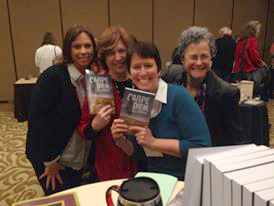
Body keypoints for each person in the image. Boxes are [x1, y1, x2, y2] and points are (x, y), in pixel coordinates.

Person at [111, 41, 211, 180]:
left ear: (159, 69)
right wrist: (120, 140)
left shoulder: (178, 96)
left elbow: (201, 147)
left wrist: (153, 142)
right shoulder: (134, 100)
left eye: (148, 65)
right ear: (129, 73)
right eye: (136, 67)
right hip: (154, 178)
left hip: (185, 179)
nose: (143, 72)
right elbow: (137, 152)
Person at [26, 24, 97, 195]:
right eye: (77, 46)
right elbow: (37, 121)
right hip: (51, 157)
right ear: (68, 50)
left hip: (74, 154)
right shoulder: (53, 76)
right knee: (60, 198)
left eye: (87, 46)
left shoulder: (91, 76)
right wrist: (50, 161)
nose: (83, 51)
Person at [162, 26, 245, 146]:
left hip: (208, 157)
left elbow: (235, 139)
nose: (199, 63)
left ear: (211, 59)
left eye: (204, 57)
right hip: (174, 154)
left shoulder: (226, 93)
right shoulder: (170, 78)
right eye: (193, 57)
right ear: (182, 60)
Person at [80, 26, 139, 181]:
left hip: (143, 157)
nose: (118, 57)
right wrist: (95, 126)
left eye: (121, 51)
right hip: (112, 162)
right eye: (111, 53)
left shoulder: (140, 80)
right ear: (104, 58)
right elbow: (83, 130)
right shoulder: (99, 84)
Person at [232, 20, 267, 92]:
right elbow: (255, 57)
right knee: (250, 93)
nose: (259, 31)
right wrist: (262, 64)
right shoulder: (251, 40)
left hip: (238, 71)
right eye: (258, 29)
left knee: (240, 93)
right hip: (248, 71)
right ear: (253, 30)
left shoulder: (240, 41)